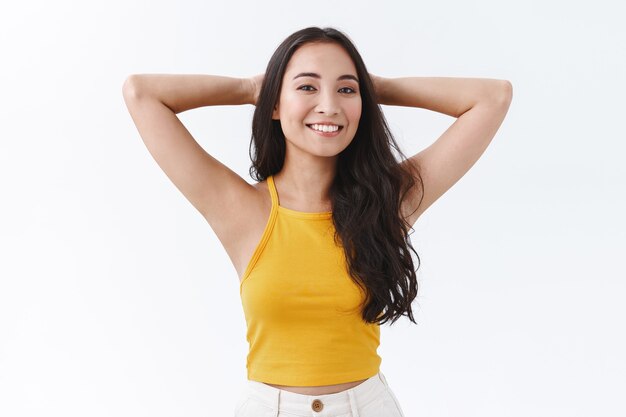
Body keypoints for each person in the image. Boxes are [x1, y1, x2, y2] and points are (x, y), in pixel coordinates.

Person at [122, 26, 512, 417]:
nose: (329, 105)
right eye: (307, 87)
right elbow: (142, 93)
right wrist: (249, 89)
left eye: (346, 89)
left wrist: (377, 89)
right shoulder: (238, 207)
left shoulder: (387, 203)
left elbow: (492, 97)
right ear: (275, 103)